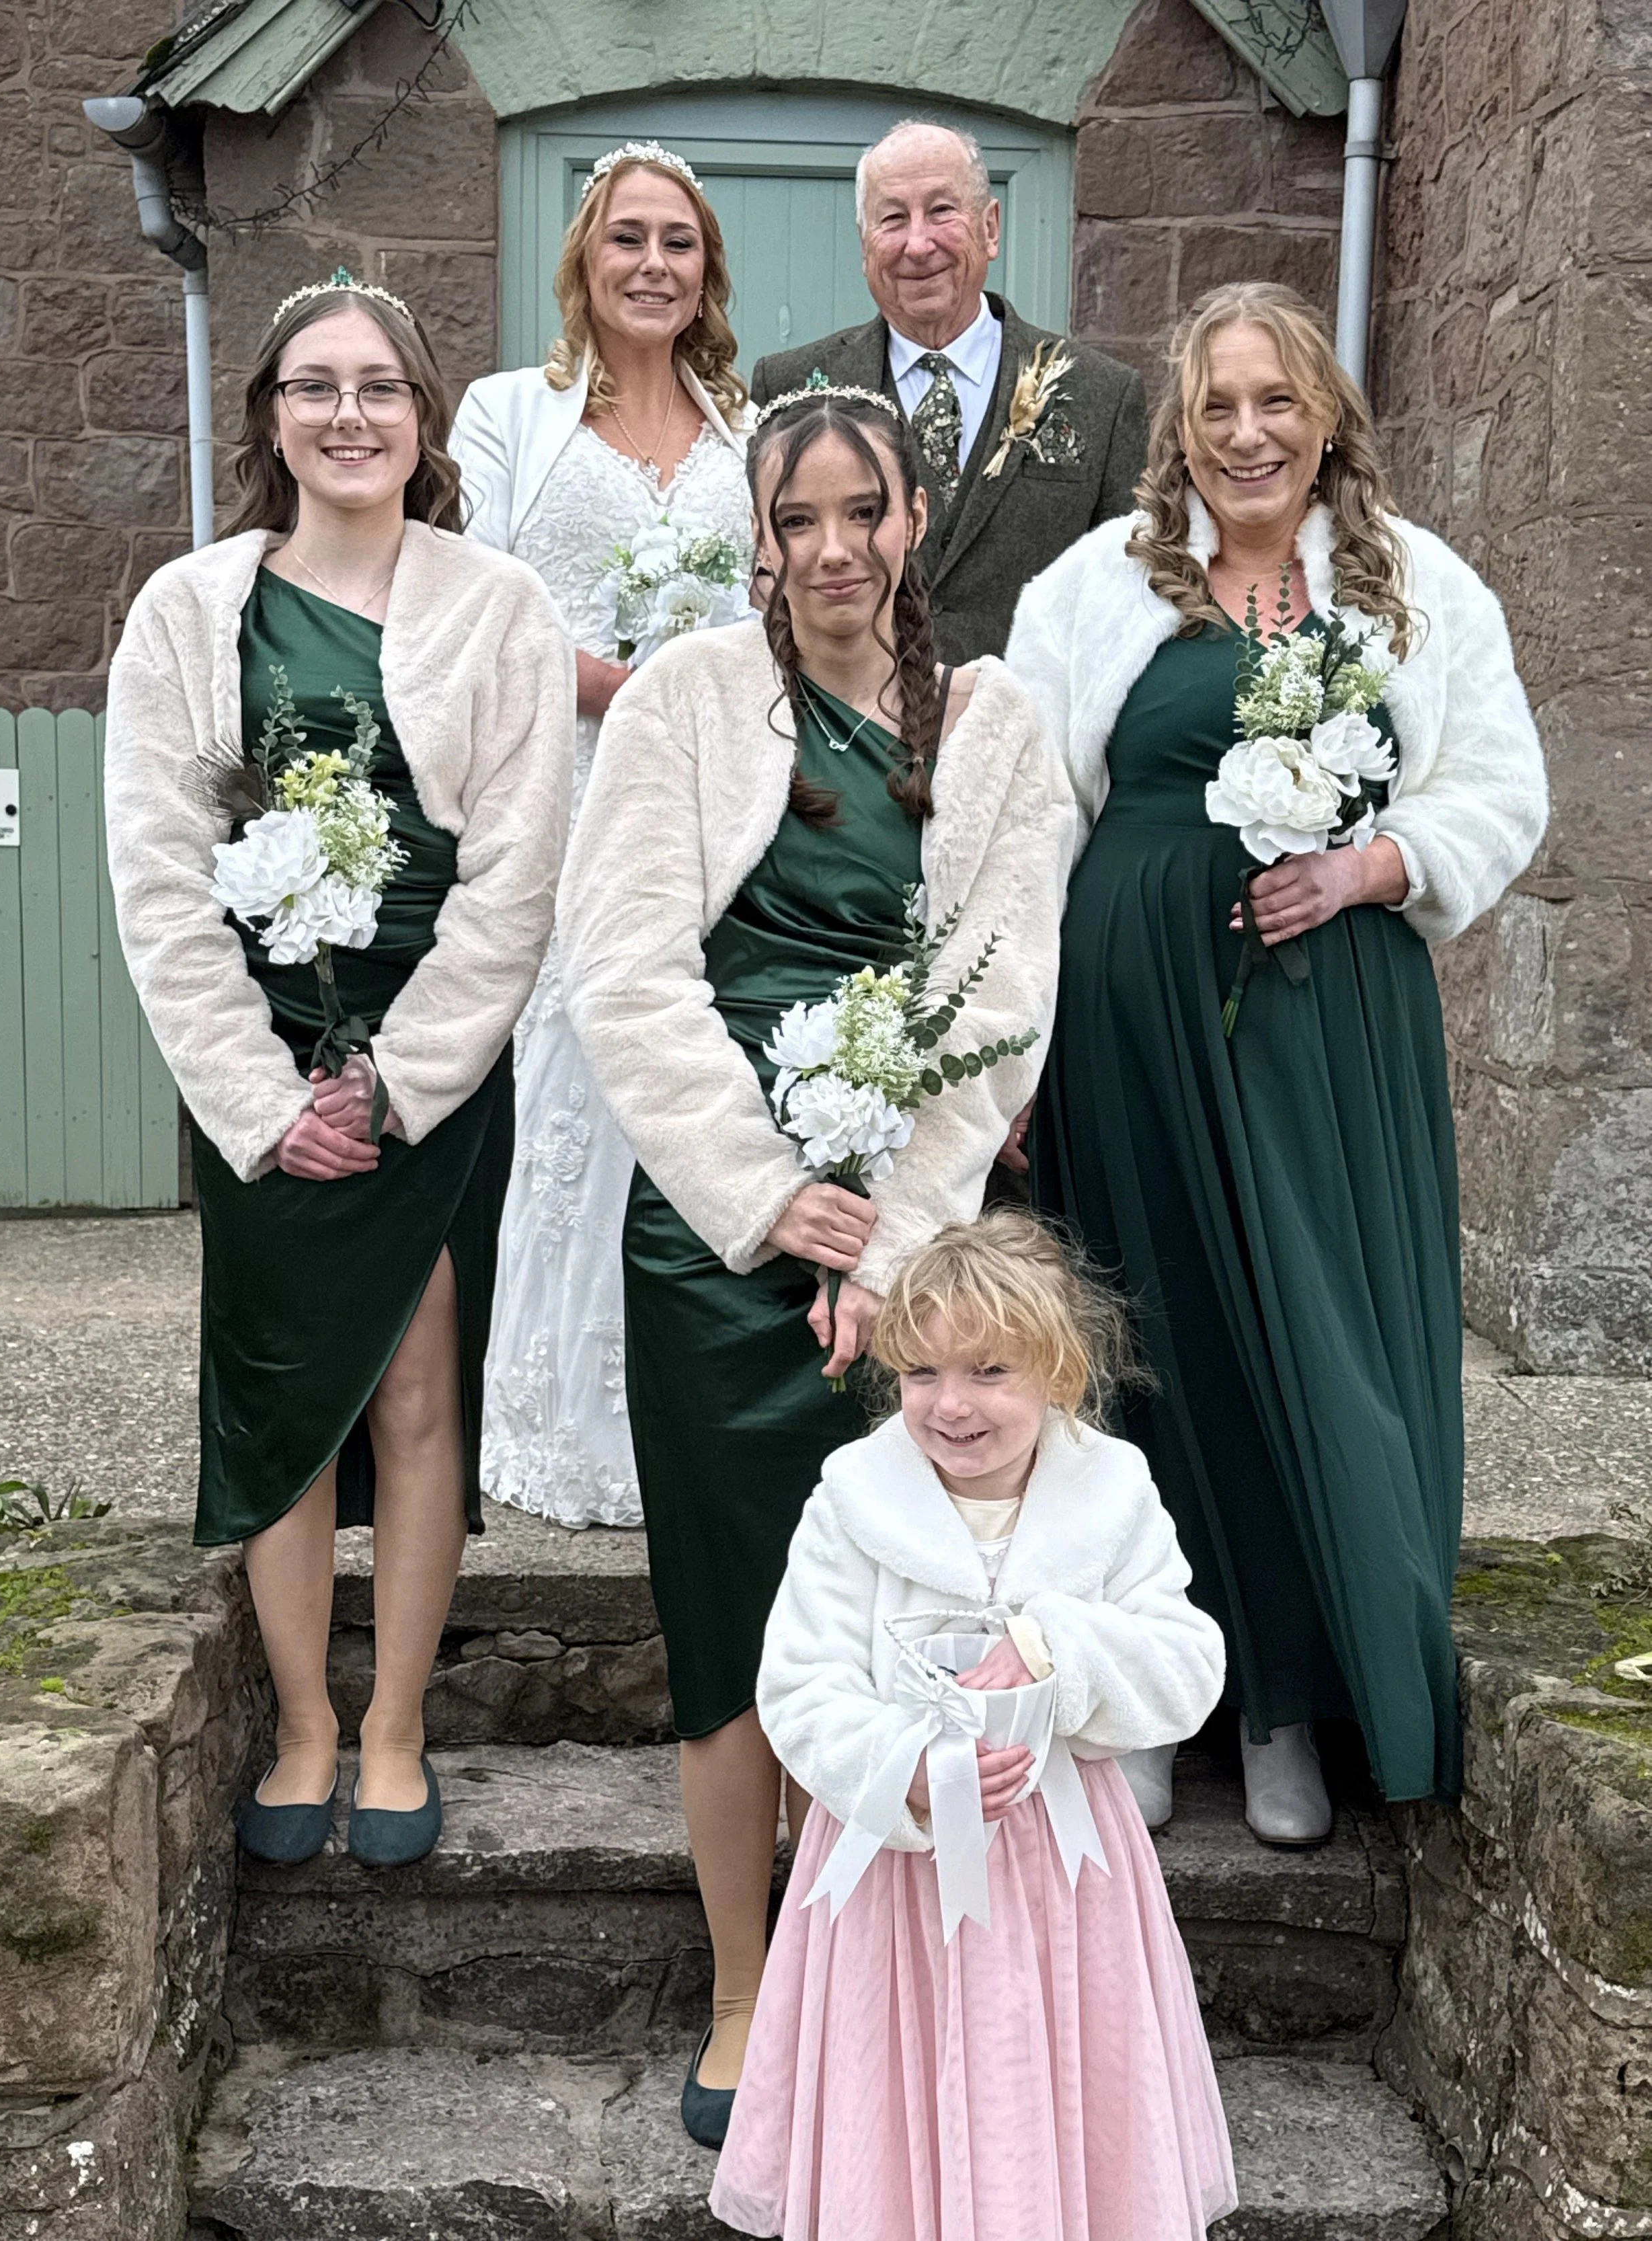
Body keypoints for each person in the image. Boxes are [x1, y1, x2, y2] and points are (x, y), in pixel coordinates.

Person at [559, 387, 1076, 2136]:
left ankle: (897, 1978)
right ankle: (743, 1979)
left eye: (863, 511)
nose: (833, 549)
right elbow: (622, 968)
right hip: (716, 1242)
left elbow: (1001, 993)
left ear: (910, 519)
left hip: (915, 1259)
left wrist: (901, 1235)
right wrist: (770, 1195)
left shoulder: (994, 720)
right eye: (799, 521)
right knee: (729, 1625)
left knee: (908, 1627)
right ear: (759, 539)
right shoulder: (690, 706)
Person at [1005, 281, 1548, 1841]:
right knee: (1148, 1341)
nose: (1246, 434)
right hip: (1128, 1023)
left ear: (1326, 425)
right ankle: (1152, 1696)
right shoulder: (1094, 589)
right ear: (1178, 430)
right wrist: (1015, 1053)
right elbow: (1027, 814)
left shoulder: (1417, 589)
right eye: (1216, 407)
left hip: (1328, 1032)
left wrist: (1375, 868)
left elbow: (1501, 792)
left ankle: (1296, 1700)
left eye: (1275, 404)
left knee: (1317, 1348)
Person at [104, 274, 575, 1868]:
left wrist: (408, 1075)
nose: (350, 414)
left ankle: (396, 1726)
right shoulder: (187, 612)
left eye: (380, 387)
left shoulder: (498, 605)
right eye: (316, 387)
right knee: (284, 1398)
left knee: (420, 1393)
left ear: (424, 419)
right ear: (270, 419)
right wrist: (256, 1097)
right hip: (260, 1056)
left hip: (428, 1060)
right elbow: (160, 879)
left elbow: (520, 871)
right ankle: (305, 1719)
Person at [709, 1209, 1234, 2240]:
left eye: (990, 1371)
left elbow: (1188, 1667)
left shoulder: (1111, 1497)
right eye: (922, 1375)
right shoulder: (854, 1503)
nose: (951, 1406)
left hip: (1062, 1873)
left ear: (1060, 1373)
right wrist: (898, 1766)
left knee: (1043, 2090)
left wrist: (1062, 1647)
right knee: (894, 2093)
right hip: (892, 1880)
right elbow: (798, 1685)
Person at [449, 142, 752, 1530]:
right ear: (585, 257)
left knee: (699, 1060)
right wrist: (600, 683)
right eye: (626, 238)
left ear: (705, 271)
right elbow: (454, 593)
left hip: (705, 788)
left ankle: (691, 1410)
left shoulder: (748, 429)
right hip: (565, 783)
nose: (650, 265)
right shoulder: (511, 413)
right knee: (577, 1076)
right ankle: (562, 1424)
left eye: (675, 243)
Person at [750, 119, 1146, 663]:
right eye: (892, 219)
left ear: (991, 228)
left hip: (1029, 731)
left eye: (941, 211)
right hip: (846, 728)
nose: (918, 244)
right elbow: (767, 583)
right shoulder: (792, 387)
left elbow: (1125, 603)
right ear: (865, 246)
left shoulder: (1102, 394)